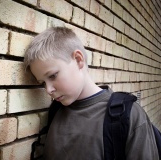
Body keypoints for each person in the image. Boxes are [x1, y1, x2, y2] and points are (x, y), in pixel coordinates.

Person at [23, 27, 159, 160]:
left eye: (52, 76)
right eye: (42, 83)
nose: (48, 90)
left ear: (78, 60)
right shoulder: (56, 111)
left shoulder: (128, 115)